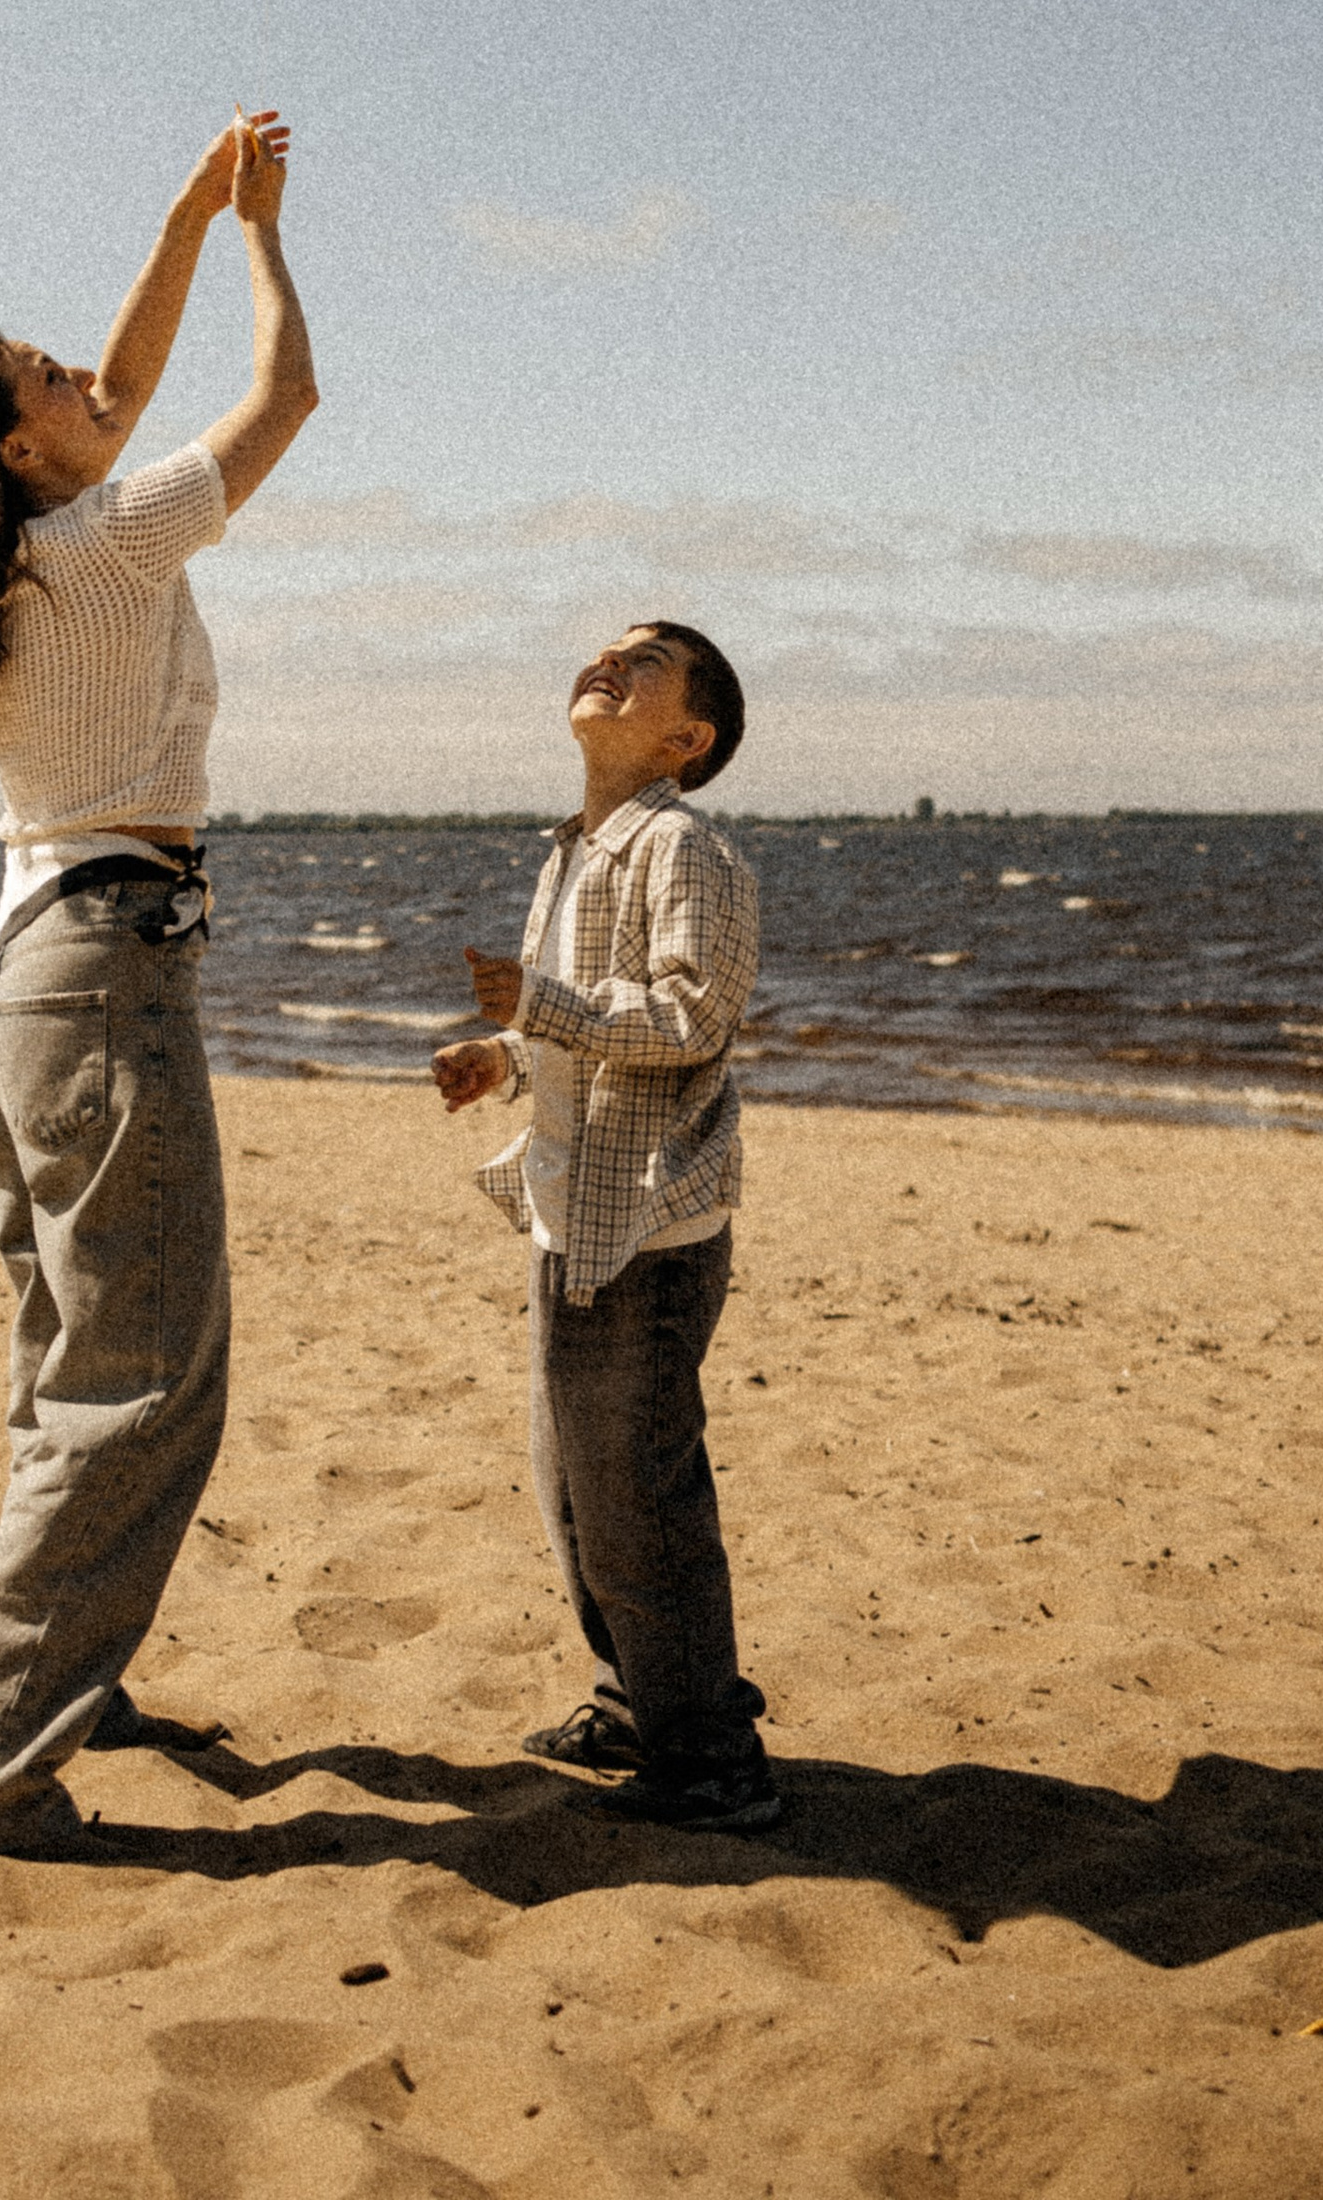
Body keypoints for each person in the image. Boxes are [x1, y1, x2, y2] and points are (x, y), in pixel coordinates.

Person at [0, 112, 317, 1859]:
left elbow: (117, 383)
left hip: (38, 969)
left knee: (69, 1358)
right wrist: (261, 237)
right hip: (101, 969)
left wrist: (188, 207)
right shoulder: (107, 540)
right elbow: (285, 399)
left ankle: (68, 1684)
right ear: (25, 448)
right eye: (50, 378)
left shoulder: (30, 548)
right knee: (146, 1377)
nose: (89, 383)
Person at [432, 621, 782, 1834]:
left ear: (687, 739)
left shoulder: (685, 848)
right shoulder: (576, 850)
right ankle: (637, 1704)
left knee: (640, 1500)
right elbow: (578, 1026)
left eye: (645, 663)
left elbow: (690, 1017)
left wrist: (540, 1006)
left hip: (646, 1227)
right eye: (605, 651)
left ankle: (714, 1763)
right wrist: (506, 1055)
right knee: (576, 1494)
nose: (608, 663)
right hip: (571, 1213)